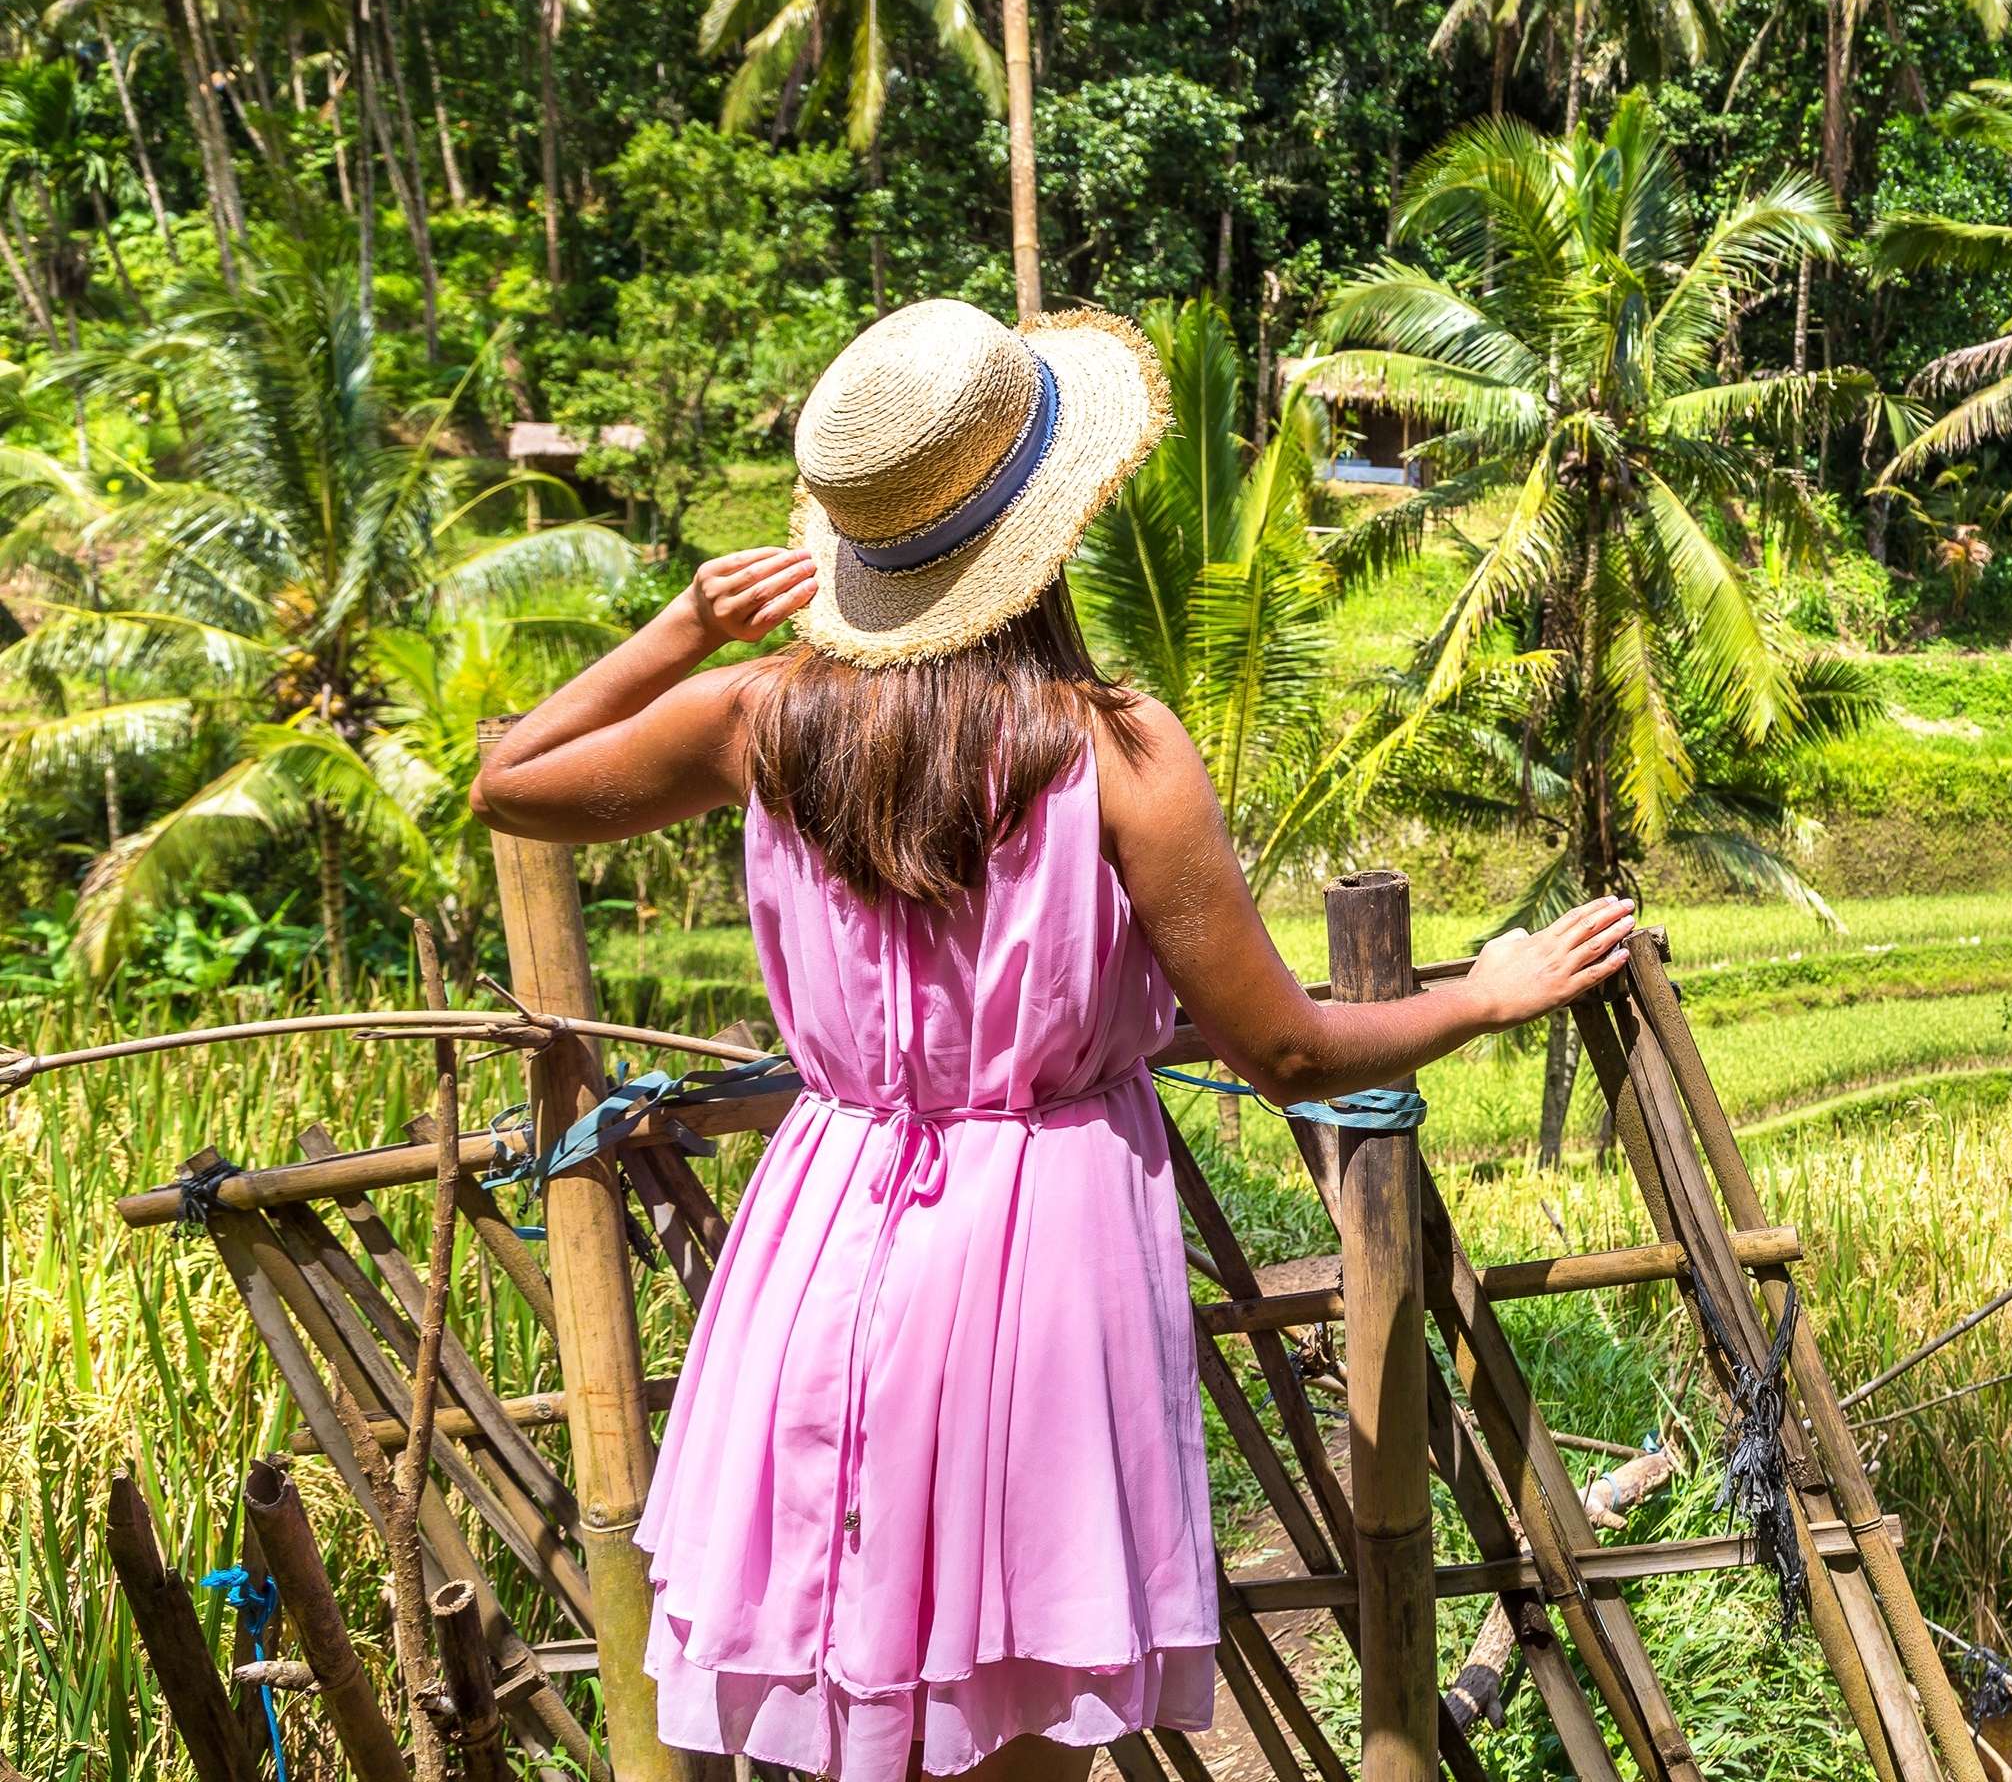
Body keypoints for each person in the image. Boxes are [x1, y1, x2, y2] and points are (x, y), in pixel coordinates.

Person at [472, 299, 1634, 1782]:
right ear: (1053, 526)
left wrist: (685, 627)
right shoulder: (1116, 751)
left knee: (831, 1712)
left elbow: (511, 781)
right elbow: (1283, 1052)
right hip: (1033, 1250)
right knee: (1012, 1720)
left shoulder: (762, 717)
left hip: (820, 1238)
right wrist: (1488, 991)